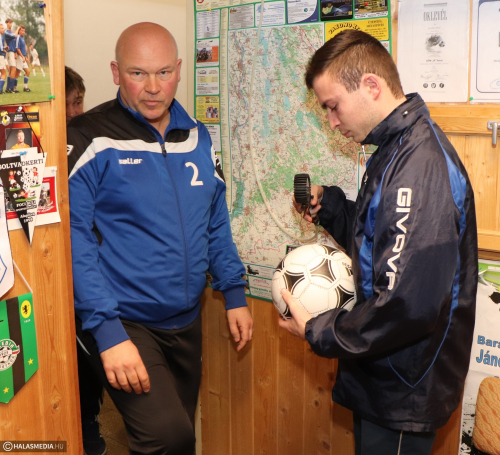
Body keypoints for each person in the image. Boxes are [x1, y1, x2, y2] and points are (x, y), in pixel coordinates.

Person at [281, 30, 477, 455]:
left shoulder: (419, 165)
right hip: (382, 372)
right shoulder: (394, 148)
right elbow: (384, 244)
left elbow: (407, 304)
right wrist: (331, 207)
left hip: (405, 385)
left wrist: (319, 331)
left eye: (333, 106)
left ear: (371, 85)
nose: (332, 122)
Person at [67, 22, 253, 455]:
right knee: (168, 437)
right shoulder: (89, 137)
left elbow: (214, 220)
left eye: (164, 72)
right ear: (116, 73)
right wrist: (108, 333)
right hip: (124, 320)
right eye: (138, 73)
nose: (153, 88)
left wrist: (234, 292)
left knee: (178, 436)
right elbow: (74, 240)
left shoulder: (197, 136)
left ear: (179, 70)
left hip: (186, 320)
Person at [65, 65, 106, 455]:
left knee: (89, 359)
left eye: (79, 102)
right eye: (71, 103)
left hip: (89, 277)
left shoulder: (90, 146)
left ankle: (89, 425)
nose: (77, 112)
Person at [14, 25, 30, 92]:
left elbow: (23, 49)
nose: (23, 32)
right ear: (19, 31)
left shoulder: (22, 38)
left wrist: (25, 57)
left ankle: (25, 88)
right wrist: (22, 57)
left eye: (24, 31)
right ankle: (15, 88)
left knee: (28, 72)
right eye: (22, 30)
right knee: (17, 73)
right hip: (20, 57)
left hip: (23, 57)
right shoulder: (18, 37)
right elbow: (17, 48)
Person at [4, 19, 16, 93]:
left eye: (11, 23)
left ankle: (8, 88)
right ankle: (11, 88)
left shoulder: (10, 32)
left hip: (12, 51)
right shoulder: (7, 32)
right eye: (9, 23)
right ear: (6, 23)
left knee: (11, 70)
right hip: (10, 51)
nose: (10, 24)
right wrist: (18, 29)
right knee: (13, 69)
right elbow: (15, 35)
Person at [0, 23, 8, 94]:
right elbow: (0, 47)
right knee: (3, 73)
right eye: (2, 28)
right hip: (1, 56)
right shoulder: (0, 36)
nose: (3, 29)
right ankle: (0, 90)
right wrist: (4, 49)